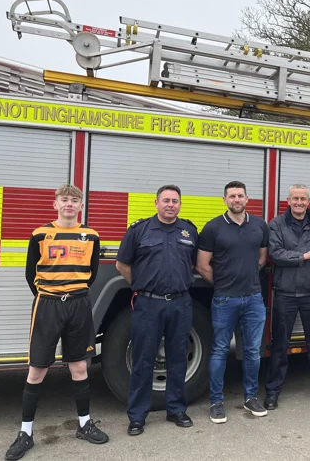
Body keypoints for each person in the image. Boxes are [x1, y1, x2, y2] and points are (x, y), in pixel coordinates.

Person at [5, 184, 108, 461]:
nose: (69, 205)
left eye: (75, 200)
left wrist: (73, 293)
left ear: (80, 206)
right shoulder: (40, 234)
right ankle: (26, 433)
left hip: (79, 304)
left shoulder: (91, 235)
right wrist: (51, 295)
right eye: (65, 200)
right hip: (47, 304)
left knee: (79, 367)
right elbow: (30, 274)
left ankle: (85, 424)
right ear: (55, 204)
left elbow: (92, 273)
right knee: (37, 370)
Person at [116, 184, 198, 436]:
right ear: (156, 203)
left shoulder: (189, 230)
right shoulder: (139, 230)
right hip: (148, 304)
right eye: (166, 200)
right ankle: (138, 416)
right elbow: (122, 264)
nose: (170, 205)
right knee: (143, 360)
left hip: (181, 303)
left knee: (177, 358)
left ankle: (175, 409)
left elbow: (194, 263)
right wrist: (142, 286)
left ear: (180, 204)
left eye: (175, 201)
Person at [197, 181, 270, 423]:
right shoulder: (213, 227)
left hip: (253, 299)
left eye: (240, 195)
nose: (236, 199)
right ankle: (216, 402)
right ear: (224, 200)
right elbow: (202, 264)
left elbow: (262, 257)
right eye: (231, 196)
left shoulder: (259, 225)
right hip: (224, 299)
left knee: (252, 351)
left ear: (247, 199)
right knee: (219, 350)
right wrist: (222, 286)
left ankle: (250, 397)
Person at [263, 184, 310, 410]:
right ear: (288, 200)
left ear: (308, 201)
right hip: (285, 294)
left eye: (303, 198)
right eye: (295, 198)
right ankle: (273, 391)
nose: (299, 202)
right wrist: (303, 256)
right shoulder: (276, 225)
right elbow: (275, 254)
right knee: (279, 345)